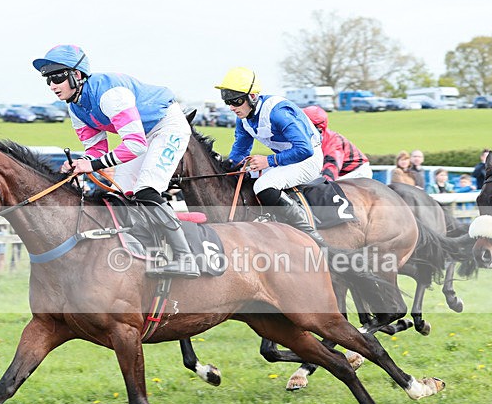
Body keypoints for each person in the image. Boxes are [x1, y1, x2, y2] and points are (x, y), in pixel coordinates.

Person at [32, 44, 198, 278]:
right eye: (47, 79)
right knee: (121, 194)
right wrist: (80, 163)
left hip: (166, 126)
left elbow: (135, 145)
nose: (52, 85)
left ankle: (185, 258)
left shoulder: (110, 95)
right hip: (140, 136)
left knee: (147, 189)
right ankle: (148, 251)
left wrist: (92, 165)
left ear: (77, 75)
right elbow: (97, 150)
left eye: (57, 77)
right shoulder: (75, 108)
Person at [214, 67, 325, 245]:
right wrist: (224, 167)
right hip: (287, 160)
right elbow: (240, 152)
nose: (232, 107)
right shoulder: (243, 119)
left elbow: (305, 149)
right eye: (228, 102)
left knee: (263, 186)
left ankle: (310, 235)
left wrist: (268, 160)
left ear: (252, 96)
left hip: (308, 160)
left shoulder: (278, 112)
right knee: (246, 179)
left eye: (236, 101)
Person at [301, 105, 372, 181]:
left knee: (323, 188)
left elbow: (332, 167)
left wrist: (325, 182)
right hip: (335, 171)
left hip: (355, 173)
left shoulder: (333, 141)